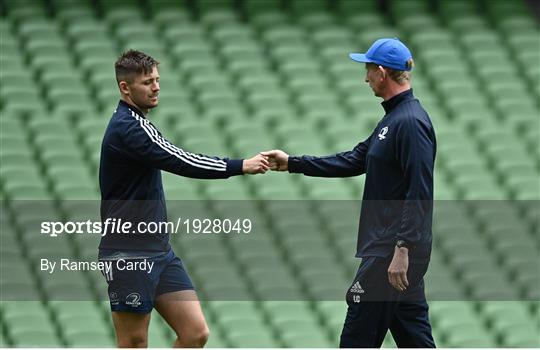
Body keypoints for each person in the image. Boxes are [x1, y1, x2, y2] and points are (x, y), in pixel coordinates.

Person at [262, 38, 436, 348]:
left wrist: (402, 248)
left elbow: (419, 190)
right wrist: (293, 163)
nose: (365, 77)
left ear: (382, 72)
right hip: (391, 250)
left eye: (368, 69)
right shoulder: (394, 119)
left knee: (356, 335)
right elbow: (355, 159)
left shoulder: (409, 122)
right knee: (414, 336)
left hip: (390, 251)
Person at [98, 49, 269, 347]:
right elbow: (181, 160)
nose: (156, 87)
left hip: (158, 249)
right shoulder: (128, 127)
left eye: (157, 80)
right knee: (134, 342)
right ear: (125, 88)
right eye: (147, 82)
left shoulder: (138, 122)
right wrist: (240, 165)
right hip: (129, 252)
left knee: (195, 333)